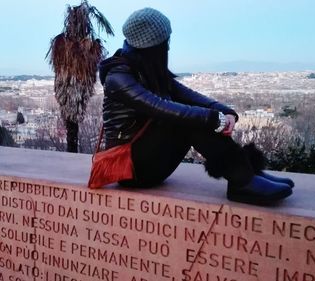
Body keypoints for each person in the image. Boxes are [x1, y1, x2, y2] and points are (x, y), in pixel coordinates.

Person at [98, 8, 294, 205]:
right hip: (130, 169)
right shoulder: (119, 78)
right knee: (184, 120)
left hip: (144, 159)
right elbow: (159, 108)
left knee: (189, 113)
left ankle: (248, 173)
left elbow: (187, 94)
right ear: (156, 44)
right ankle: (242, 181)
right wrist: (212, 118)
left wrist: (225, 110)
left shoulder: (145, 69)